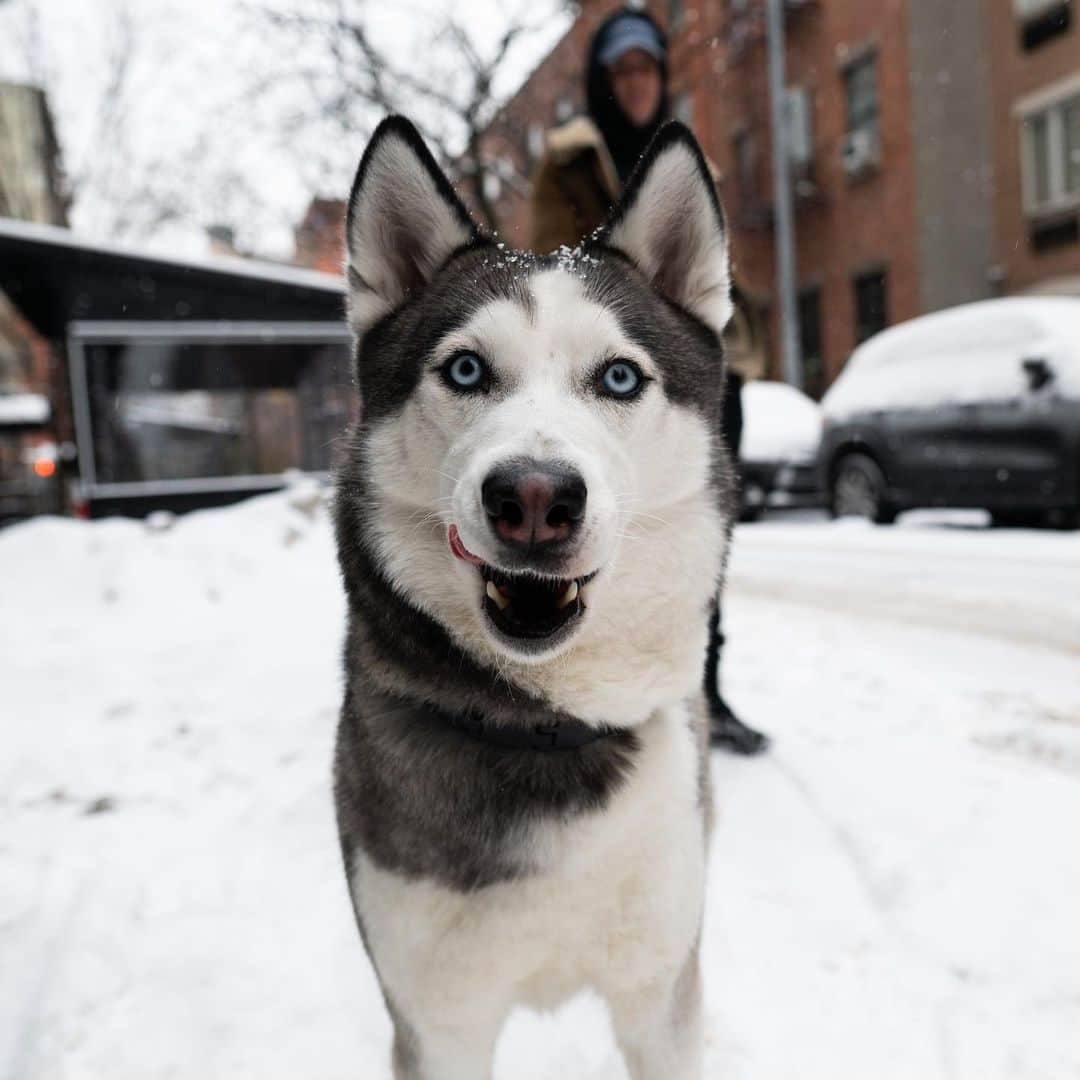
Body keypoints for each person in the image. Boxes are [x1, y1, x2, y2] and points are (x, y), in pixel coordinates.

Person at [530, 7, 770, 755]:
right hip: (610, 380)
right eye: (623, 72)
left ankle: (701, 688)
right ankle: (585, 690)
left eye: (647, 70)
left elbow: (710, 271)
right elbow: (555, 268)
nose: (637, 84)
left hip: (703, 379)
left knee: (699, 537)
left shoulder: (691, 159)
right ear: (606, 82)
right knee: (605, 532)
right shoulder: (570, 164)